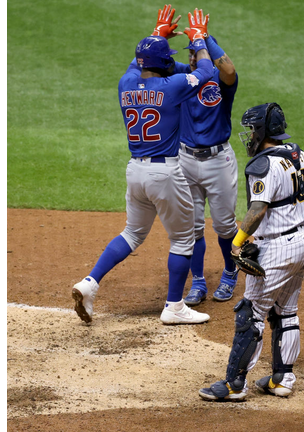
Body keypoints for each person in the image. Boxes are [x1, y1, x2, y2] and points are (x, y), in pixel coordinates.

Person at [70, 6, 216, 325]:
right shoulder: (173, 86)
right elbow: (206, 72)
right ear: (164, 63)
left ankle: (90, 282)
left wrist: (157, 31)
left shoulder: (126, 82)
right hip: (165, 173)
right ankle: (174, 306)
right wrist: (200, 39)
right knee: (183, 238)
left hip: (135, 171)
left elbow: (137, 62)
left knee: (133, 233)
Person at [198, 103, 304, 401]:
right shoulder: (300, 156)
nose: (249, 136)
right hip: (302, 244)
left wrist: (237, 240)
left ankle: (234, 385)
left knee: (251, 313)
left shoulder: (263, 165)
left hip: (277, 250)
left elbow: (258, 209)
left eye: (251, 129)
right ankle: (282, 379)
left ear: (261, 131)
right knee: (286, 311)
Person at [174, 33, 240, 306]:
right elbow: (151, 69)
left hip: (218, 160)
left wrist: (205, 39)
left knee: (225, 226)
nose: (191, 57)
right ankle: (198, 281)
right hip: (186, 159)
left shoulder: (219, 79)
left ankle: (230, 271)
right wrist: (159, 33)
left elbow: (230, 69)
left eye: (196, 52)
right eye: (189, 52)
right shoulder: (181, 77)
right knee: (192, 228)